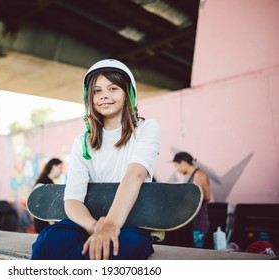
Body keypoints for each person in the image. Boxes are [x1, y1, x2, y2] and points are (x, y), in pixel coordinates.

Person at [31, 59, 161, 260]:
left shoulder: (146, 129)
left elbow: (135, 175)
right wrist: (95, 226)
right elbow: (72, 199)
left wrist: (110, 225)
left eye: (113, 88)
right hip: (88, 222)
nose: (104, 96)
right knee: (48, 242)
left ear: (128, 93)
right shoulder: (82, 142)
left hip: (129, 223)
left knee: (120, 248)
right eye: (97, 91)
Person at [172, 151, 211, 248]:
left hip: (199, 224)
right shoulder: (193, 176)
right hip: (193, 224)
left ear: (183, 163)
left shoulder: (199, 175)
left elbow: (207, 197)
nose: (177, 170)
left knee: (196, 256)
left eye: (177, 166)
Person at [32, 158, 63, 233]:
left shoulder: (46, 181)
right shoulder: (45, 183)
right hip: (44, 227)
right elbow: (46, 208)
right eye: (60, 168)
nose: (61, 171)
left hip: (43, 226)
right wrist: (53, 226)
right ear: (53, 167)